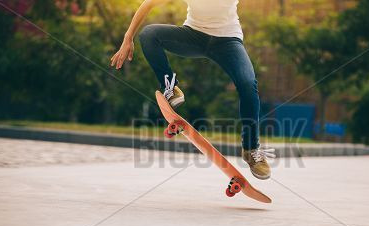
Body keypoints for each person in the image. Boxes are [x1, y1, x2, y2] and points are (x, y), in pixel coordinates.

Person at [111, 0, 274, 179]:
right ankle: (170, 88)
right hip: (193, 36)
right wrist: (128, 37)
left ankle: (251, 149)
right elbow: (149, 3)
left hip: (228, 41)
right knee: (150, 34)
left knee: (248, 84)